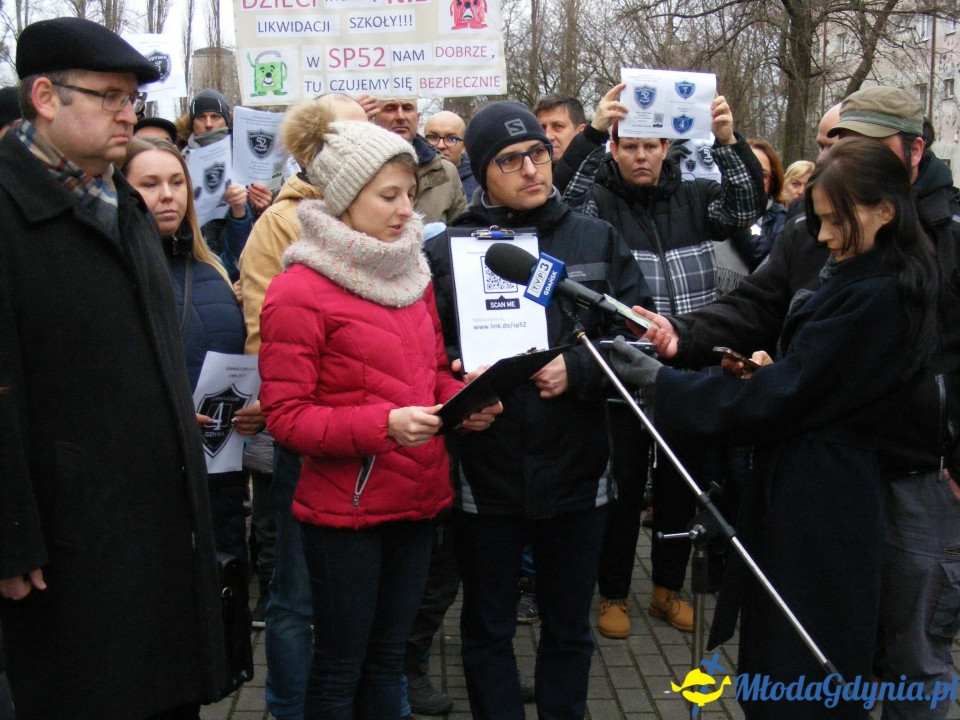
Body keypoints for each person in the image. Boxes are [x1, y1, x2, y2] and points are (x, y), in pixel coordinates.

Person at [638, 88, 960, 720]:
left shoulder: (916, 257)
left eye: (854, 146)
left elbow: (810, 379)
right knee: (832, 648)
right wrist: (689, 338)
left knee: (910, 657)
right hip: (838, 477)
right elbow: (764, 308)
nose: (828, 236)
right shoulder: (831, 228)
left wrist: (670, 388)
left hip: (921, 472)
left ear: (905, 159)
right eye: (827, 144)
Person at [0, 17, 226, 719]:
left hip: (159, 513)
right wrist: (11, 535)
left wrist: (165, 414)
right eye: (108, 95)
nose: (129, 113)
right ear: (44, 97)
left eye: (132, 98)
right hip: (69, 535)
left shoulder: (121, 203)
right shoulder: (10, 212)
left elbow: (137, 342)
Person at [257, 113, 499, 720]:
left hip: (417, 499)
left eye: (410, 196)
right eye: (388, 196)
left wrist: (461, 398)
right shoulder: (298, 290)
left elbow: (429, 373)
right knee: (341, 666)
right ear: (344, 199)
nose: (404, 211)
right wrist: (383, 426)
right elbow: (286, 419)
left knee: (388, 661)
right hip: (346, 512)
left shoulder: (412, 273)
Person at [426, 101, 652, 720]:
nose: (530, 168)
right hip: (487, 470)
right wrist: (455, 391)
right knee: (488, 627)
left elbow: (637, 337)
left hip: (579, 467)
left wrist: (579, 370)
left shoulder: (595, 237)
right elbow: (426, 350)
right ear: (481, 170)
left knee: (568, 629)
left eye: (538, 153)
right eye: (509, 159)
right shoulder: (450, 249)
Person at [583, 96, 766, 639]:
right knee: (622, 488)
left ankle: (668, 588)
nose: (641, 157)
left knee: (681, 489)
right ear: (615, 149)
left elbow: (746, 207)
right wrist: (592, 133)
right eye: (630, 146)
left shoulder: (696, 196)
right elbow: (562, 199)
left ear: (668, 148)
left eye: (651, 146)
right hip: (624, 368)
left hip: (688, 366)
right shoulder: (596, 203)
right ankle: (613, 592)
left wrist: (730, 143)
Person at [238, 93, 369, 720]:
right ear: (315, 150)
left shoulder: (378, 212)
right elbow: (269, 337)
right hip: (314, 437)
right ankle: (288, 709)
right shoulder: (280, 225)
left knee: (360, 597)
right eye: (351, 139)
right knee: (294, 599)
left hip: (379, 440)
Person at [122, 135, 266, 636]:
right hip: (150, 485)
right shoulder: (115, 273)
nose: (168, 195)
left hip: (221, 480)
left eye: (177, 182)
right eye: (150, 184)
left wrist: (256, 408)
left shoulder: (211, 269)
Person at [182, 88, 264, 280]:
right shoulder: (180, 161)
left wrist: (262, 205)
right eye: (201, 117)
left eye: (215, 117)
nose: (209, 124)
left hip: (239, 258)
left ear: (227, 121)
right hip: (195, 261)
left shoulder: (247, 158)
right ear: (192, 122)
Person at [373, 97, 467, 223]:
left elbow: (460, 233)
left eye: (407, 108)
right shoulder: (359, 167)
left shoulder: (446, 171)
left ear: (417, 118)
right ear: (374, 118)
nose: (400, 116)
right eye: (390, 109)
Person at [745, 138, 787, 267]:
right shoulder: (715, 210)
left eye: (762, 175)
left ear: (773, 181)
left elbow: (774, 266)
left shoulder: (781, 221)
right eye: (747, 171)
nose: (754, 180)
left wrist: (746, 226)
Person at [424, 109, 477, 200]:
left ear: (464, 146)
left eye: (451, 139)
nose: (441, 145)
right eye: (433, 137)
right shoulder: (411, 180)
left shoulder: (480, 187)